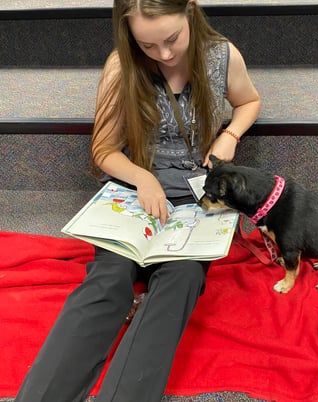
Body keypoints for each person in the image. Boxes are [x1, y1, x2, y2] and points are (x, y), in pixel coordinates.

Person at [15, 1, 260, 401]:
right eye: (148, 45)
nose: (164, 54)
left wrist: (229, 135)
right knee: (107, 278)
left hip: (197, 198)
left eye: (172, 39)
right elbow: (105, 151)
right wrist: (142, 177)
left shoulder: (222, 55)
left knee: (183, 278)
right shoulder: (121, 65)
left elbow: (249, 102)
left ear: (190, 13)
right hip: (133, 192)